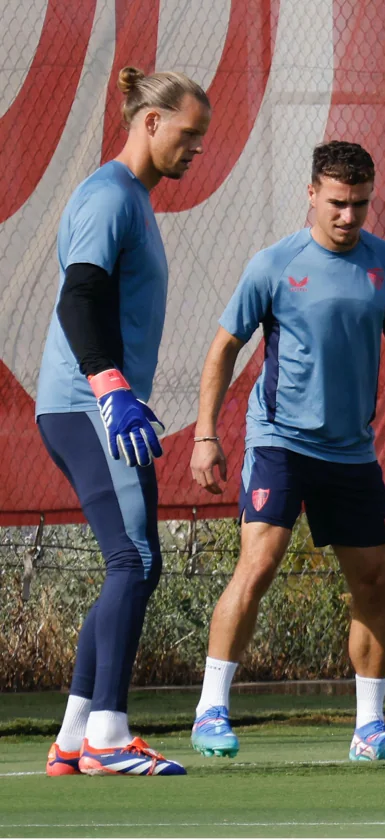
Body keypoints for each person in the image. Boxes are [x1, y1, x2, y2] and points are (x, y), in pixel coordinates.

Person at [187, 142, 385, 763]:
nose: (349, 217)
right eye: (338, 204)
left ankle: (370, 729)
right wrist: (205, 434)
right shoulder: (273, 264)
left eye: (361, 205)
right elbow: (223, 349)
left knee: (374, 580)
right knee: (259, 563)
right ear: (312, 195)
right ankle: (210, 710)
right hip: (280, 440)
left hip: (351, 451)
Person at [37, 67, 210, 777]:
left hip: (100, 406)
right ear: (149, 122)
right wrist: (110, 388)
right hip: (89, 405)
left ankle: (76, 737)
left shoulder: (130, 199)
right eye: (188, 134)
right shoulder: (109, 197)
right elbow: (80, 297)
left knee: (135, 563)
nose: (196, 149)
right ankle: (109, 735)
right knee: (133, 561)